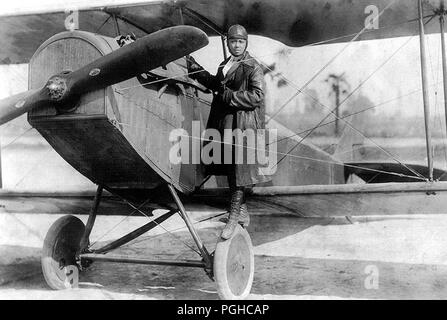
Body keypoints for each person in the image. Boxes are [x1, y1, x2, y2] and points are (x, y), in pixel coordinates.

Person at [187, 24, 270, 240]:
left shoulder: (253, 66)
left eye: (240, 41)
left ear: (246, 43)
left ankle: (234, 216)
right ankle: (241, 212)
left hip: (242, 125)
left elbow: (257, 96)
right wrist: (193, 67)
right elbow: (216, 84)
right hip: (225, 123)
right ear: (228, 43)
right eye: (233, 41)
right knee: (227, 167)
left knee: (238, 171)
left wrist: (230, 97)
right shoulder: (226, 64)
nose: (236, 45)